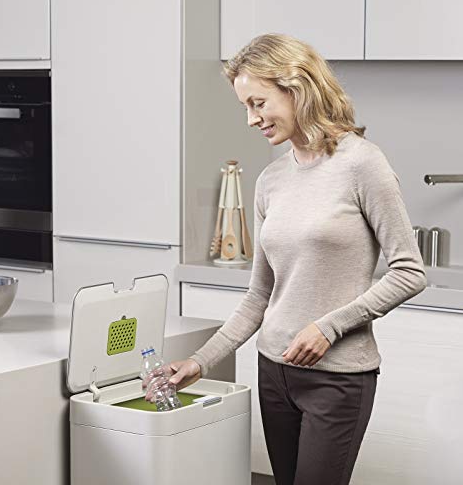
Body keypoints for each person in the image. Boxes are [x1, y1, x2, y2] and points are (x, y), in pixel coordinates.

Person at [148, 34, 427, 485]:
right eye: (246, 106)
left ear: (297, 88)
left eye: (258, 103)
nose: (251, 118)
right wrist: (198, 362)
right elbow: (259, 295)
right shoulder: (271, 180)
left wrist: (328, 327)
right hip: (273, 373)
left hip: (336, 378)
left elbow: (410, 272)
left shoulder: (363, 164)